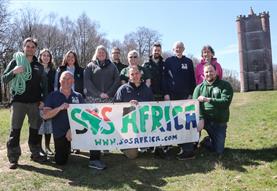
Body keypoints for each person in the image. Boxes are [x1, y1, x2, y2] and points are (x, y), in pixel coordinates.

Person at [2, 37, 48, 169]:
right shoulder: (15, 61)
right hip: (18, 102)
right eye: (27, 46)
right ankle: (13, 158)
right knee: (15, 130)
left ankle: (35, 153)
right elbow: (4, 79)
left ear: (35, 49)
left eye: (33, 47)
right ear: (23, 47)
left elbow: (44, 86)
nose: (30, 49)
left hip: (34, 103)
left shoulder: (39, 66)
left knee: (34, 130)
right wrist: (14, 71)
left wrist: (43, 100)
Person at [84, 45, 120, 170]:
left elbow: (117, 80)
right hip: (93, 101)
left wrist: (108, 93)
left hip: (108, 101)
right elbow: (87, 82)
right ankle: (94, 158)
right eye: (99, 52)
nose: (101, 54)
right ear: (96, 53)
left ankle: (104, 148)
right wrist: (98, 94)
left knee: (107, 126)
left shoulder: (112, 66)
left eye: (103, 52)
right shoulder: (90, 66)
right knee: (95, 128)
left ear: (106, 54)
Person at [163, 41, 197, 160]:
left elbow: (192, 79)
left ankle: (188, 148)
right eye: (176, 48)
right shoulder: (168, 61)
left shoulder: (188, 62)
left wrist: (191, 94)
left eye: (180, 47)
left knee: (186, 122)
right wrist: (166, 93)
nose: (178, 49)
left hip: (185, 98)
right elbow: (165, 78)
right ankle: (169, 145)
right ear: (173, 49)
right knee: (172, 121)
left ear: (184, 49)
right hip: (172, 97)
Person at [42, 71, 84, 165]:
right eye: (64, 78)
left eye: (69, 78)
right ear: (60, 81)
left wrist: (72, 129)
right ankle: (68, 148)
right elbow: (45, 115)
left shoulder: (78, 96)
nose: (66, 81)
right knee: (61, 161)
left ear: (73, 81)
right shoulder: (52, 95)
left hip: (76, 130)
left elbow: (84, 116)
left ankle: (94, 158)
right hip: (60, 133)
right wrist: (59, 108)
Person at [114, 66, 154, 159]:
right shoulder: (122, 89)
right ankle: (123, 147)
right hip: (128, 128)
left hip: (143, 125)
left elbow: (152, 107)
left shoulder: (147, 89)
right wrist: (128, 106)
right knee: (132, 155)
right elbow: (115, 109)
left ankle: (145, 145)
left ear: (140, 74)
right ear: (129, 76)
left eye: (136, 73)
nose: (135, 76)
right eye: (132, 74)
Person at [194, 64, 233, 155]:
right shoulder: (198, 88)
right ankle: (192, 145)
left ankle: (206, 142)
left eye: (211, 71)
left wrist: (208, 99)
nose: (209, 73)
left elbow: (225, 102)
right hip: (205, 120)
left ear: (216, 72)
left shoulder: (225, 85)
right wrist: (201, 118)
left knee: (218, 151)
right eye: (206, 72)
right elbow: (195, 105)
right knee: (192, 123)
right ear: (203, 74)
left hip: (219, 121)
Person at [38, 48, 56, 156]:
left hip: (50, 101)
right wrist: (39, 100)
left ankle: (48, 147)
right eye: (44, 55)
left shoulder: (54, 70)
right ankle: (39, 148)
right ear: (40, 57)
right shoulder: (36, 68)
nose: (46, 57)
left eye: (48, 55)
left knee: (49, 125)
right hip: (39, 101)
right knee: (40, 126)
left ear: (50, 58)